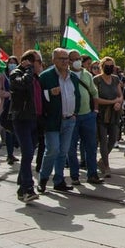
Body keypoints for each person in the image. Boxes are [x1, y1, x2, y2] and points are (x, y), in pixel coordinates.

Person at [37, 48, 78, 194]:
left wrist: (75, 113)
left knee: (63, 152)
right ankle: (43, 178)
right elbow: (37, 97)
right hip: (53, 121)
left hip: (69, 120)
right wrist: (49, 93)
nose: (65, 61)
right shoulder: (45, 77)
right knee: (53, 149)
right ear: (54, 60)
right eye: (62, 59)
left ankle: (59, 180)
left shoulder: (72, 76)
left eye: (67, 58)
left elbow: (77, 95)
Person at [8, 50, 43, 202]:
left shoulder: (36, 77)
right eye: (38, 62)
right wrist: (28, 69)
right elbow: (21, 84)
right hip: (22, 118)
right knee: (27, 153)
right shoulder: (16, 73)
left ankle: (22, 188)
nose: (40, 65)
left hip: (35, 119)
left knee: (29, 154)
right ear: (28, 62)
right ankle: (28, 187)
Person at [67, 50, 102, 185]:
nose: (77, 61)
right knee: (71, 147)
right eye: (74, 59)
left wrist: (95, 110)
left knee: (91, 146)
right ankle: (74, 175)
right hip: (72, 117)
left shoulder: (86, 74)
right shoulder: (66, 75)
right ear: (68, 61)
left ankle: (92, 174)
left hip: (88, 116)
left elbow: (94, 92)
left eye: (79, 58)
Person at [94, 57, 123, 178]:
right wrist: (112, 102)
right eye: (107, 66)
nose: (109, 68)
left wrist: (118, 102)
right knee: (103, 141)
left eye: (111, 66)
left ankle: (102, 160)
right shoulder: (97, 80)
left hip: (114, 113)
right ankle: (106, 166)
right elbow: (96, 99)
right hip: (101, 114)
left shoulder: (115, 79)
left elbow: (120, 96)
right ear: (102, 66)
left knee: (113, 137)